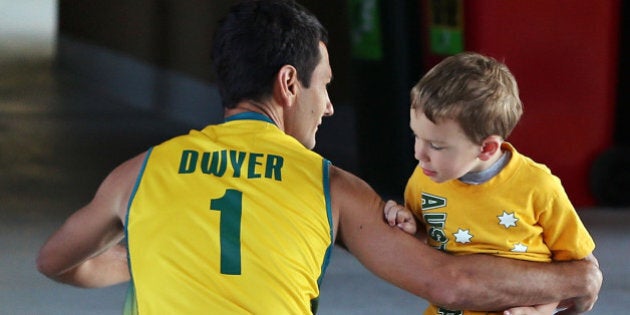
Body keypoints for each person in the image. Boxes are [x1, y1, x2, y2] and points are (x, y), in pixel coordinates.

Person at [37, 1, 601, 314]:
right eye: (324, 86)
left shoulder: (140, 170)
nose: (329, 107)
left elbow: (54, 261)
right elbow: (449, 285)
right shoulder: (329, 184)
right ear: (288, 83)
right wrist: (575, 277)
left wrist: (141, 259)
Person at [384, 52, 599, 315]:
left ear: (486, 148)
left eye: (436, 146)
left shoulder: (538, 186)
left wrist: (542, 311)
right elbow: (428, 250)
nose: (419, 154)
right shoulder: (424, 177)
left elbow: (575, 267)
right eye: (417, 136)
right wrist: (408, 226)